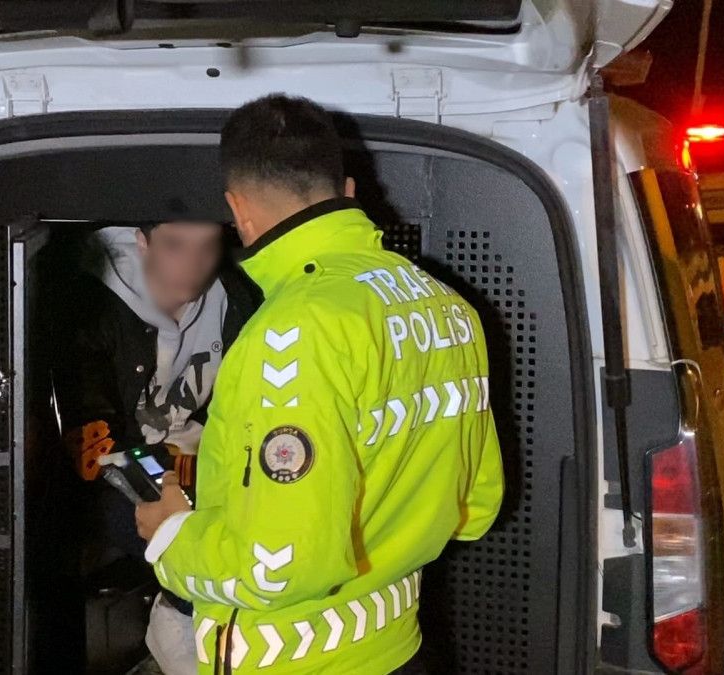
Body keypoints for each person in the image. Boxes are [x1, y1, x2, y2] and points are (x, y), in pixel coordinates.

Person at [134, 94, 504, 673]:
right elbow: (477, 505)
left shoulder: (290, 333)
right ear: (348, 192)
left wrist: (170, 537)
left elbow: (274, 569)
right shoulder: (447, 307)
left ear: (238, 209)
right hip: (398, 647)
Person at [53, 221, 258, 674]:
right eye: (175, 246)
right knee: (196, 540)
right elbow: (95, 442)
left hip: (205, 457)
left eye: (206, 246)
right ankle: (176, 623)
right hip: (120, 469)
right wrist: (173, 481)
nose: (192, 264)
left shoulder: (233, 297)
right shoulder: (95, 304)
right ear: (142, 241)